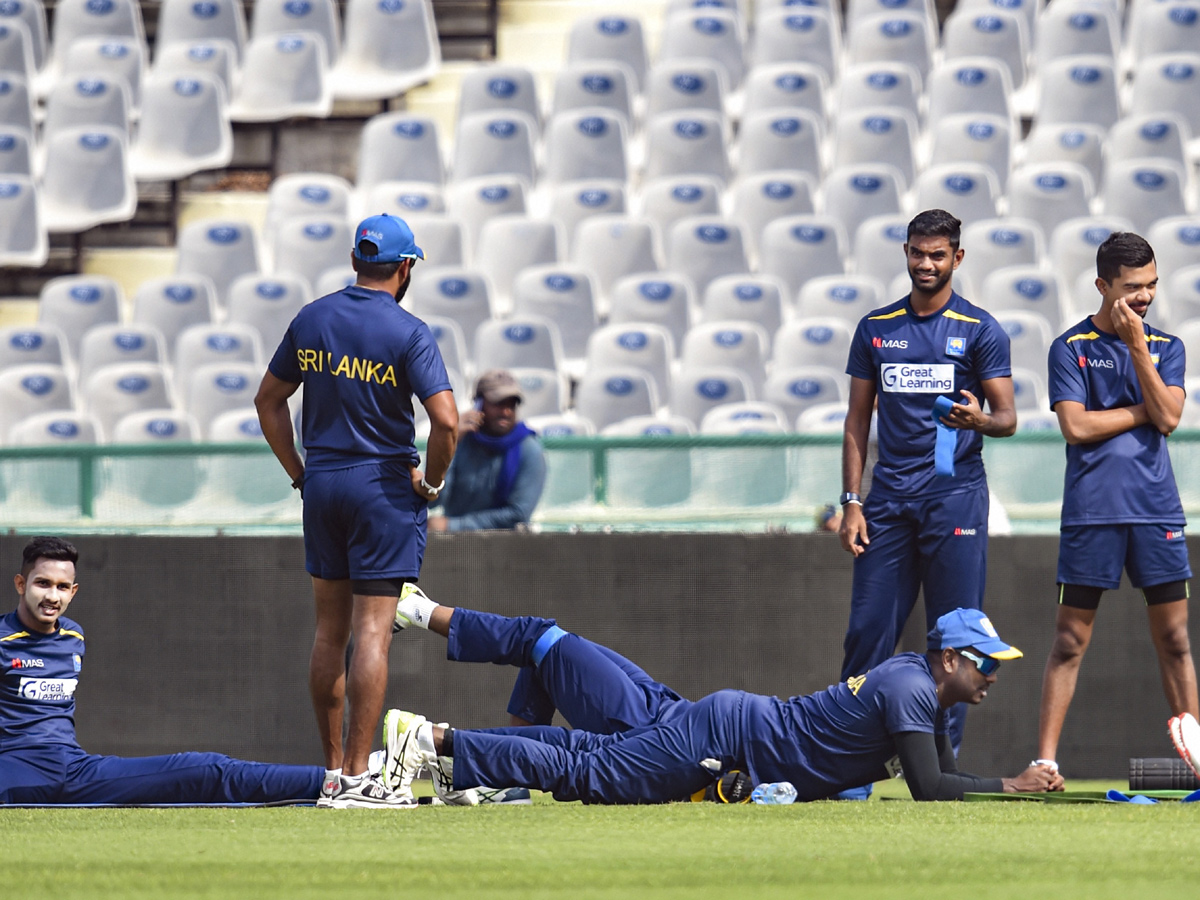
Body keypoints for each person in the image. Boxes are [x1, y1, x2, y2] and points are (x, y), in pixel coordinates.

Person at [382, 589, 1064, 805]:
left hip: (718, 730)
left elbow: (916, 774)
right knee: (587, 769)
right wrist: (1015, 784)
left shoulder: (921, 688)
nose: (993, 675)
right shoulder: (914, 687)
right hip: (716, 737)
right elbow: (930, 786)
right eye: (985, 663)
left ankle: (441, 748)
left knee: (587, 750)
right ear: (950, 657)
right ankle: (440, 751)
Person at [255, 213, 458, 808]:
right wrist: (434, 484)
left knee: (329, 633)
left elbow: (268, 401)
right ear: (404, 267)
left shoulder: (312, 317)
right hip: (382, 488)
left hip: (323, 484)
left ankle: (329, 774)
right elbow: (445, 421)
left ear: (353, 261)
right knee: (373, 633)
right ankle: (361, 775)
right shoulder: (408, 329)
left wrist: (300, 474)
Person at [838, 209, 1017, 769]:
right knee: (868, 632)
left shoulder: (980, 329)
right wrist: (851, 503)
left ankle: (941, 766)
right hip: (887, 502)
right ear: (906, 253)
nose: (926, 264)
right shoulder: (876, 327)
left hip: (955, 497)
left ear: (957, 258)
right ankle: (847, 761)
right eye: (917, 253)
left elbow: (1008, 417)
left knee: (956, 640)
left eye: (938, 254)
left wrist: (978, 421)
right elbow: (855, 422)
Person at [1037, 232, 1200, 777]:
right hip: (1092, 513)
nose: (1144, 296)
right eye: (1132, 287)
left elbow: (1172, 418)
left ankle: (1197, 761)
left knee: (1176, 640)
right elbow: (1077, 425)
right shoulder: (1069, 347)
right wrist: (1143, 410)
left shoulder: (1167, 346)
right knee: (1069, 640)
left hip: (1157, 512)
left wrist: (1136, 348)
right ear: (1103, 286)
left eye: (1151, 284)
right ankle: (1044, 764)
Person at [0, 537, 324, 805]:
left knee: (209, 770)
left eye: (61, 586)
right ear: (20, 583)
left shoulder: (73, 636)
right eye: (42, 584)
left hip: (74, 772)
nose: (52, 596)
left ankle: (337, 782)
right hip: (14, 774)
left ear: (73, 591)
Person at [428, 370, 547, 533]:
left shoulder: (529, 449)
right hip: (455, 546)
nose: (506, 412)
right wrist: (450, 443)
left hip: (505, 546)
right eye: (498, 404)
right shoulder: (462, 442)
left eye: (511, 404)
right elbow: (433, 500)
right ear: (478, 404)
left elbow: (518, 514)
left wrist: (454, 526)